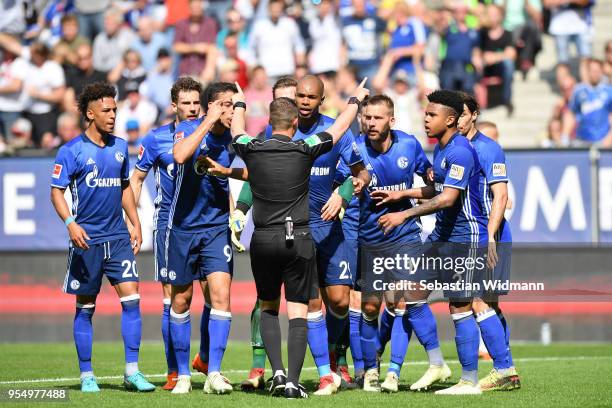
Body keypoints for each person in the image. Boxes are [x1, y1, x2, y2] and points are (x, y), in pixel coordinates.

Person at [229, 78, 370, 399]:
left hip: (263, 239)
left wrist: (239, 102)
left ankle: (278, 373)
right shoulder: (303, 148)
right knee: (300, 309)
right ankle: (296, 379)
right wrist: (355, 99)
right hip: (298, 237)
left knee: (268, 306)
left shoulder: (253, 147)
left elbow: (237, 131)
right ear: (294, 122)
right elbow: (337, 131)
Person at [375, 90, 496, 395]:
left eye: (431, 115)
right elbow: (436, 189)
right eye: (426, 114)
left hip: (462, 237)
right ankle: (437, 363)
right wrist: (401, 194)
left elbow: (448, 198)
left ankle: (469, 380)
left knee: (460, 305)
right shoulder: (441, 150)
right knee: (412, 294)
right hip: (441, 235)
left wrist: (404, 214)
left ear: (451, 119)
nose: (425, 119)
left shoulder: (460, 151)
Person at [49, 81, 155, 393]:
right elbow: (56, 193)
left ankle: (132, 372)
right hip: (87, 241)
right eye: (106, 110)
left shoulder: (121, 147)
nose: (112, 115)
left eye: (115, 110)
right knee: (86, 306)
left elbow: (125, 187)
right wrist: (70, 222)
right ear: (90, 113)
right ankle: (86, 375)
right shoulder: (71, 151)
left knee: (133, 300)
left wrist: (134, 222)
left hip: (119, 238)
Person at [129, 77, 203, 391]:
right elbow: (136, 180)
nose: (192, 108)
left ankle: (207, 363)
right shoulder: (158, 138)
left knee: (215, 296)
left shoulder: (208, 134)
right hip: (170, 226)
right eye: (185, 103)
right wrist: (133, 221)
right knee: (171, 297)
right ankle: (174, 370)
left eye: (196, 103)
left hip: (207, 224)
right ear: (174, 105)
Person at [167, 82, 237, 394]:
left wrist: (236, 213)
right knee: (181, 300)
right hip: (182, 228)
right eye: (224, 105)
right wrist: (207, 120)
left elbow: (232, 179)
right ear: (209, 107)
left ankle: (214, 373)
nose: (230, 111)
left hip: (215, 228)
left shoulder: (233, 140)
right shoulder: (188, 129)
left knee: (221, 296)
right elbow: (180, 156)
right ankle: (183, 374)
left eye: (233, 106)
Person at [458, 93, 520, 391]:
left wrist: (491, 237)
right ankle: (502, 364)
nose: (456, 118)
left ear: (474, 114)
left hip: (489, 235)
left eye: (461, 113)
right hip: (470, 234)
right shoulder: (455, 148)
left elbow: (501, 196)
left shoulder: (488, 148)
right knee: (484, 302)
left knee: (481, 300)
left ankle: (504, 367)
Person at [246, 0, 306, 80]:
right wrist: (254, 66)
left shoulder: (290, 24)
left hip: (288, 70)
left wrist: (300, 66)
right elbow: (250, 48)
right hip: (268, 72)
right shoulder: (259, 26)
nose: (276, 10)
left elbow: (299, 45)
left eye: (278, 7)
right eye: (273, 7)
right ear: (268, 9)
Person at [565, 58, 612, 147]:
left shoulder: (609, 91)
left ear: (602, 72)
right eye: (592, 70)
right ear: (588, 71)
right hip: (582, 141)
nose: (595, 73)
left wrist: (609, 139)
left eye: (597, 71)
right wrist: (565, 135)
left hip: (603, 141)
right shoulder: (579, 91)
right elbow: (571, 113)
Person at [173, 0, 218, 82]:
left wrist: (209, 69)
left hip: (203, 70)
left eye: (198, 7)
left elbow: (212, 48)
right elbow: (177, 46)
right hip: (186, 71)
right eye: (194, 7)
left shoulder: (210, 23)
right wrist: (195, 47)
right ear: (189, 8)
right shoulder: (181, 24)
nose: (196, 9)